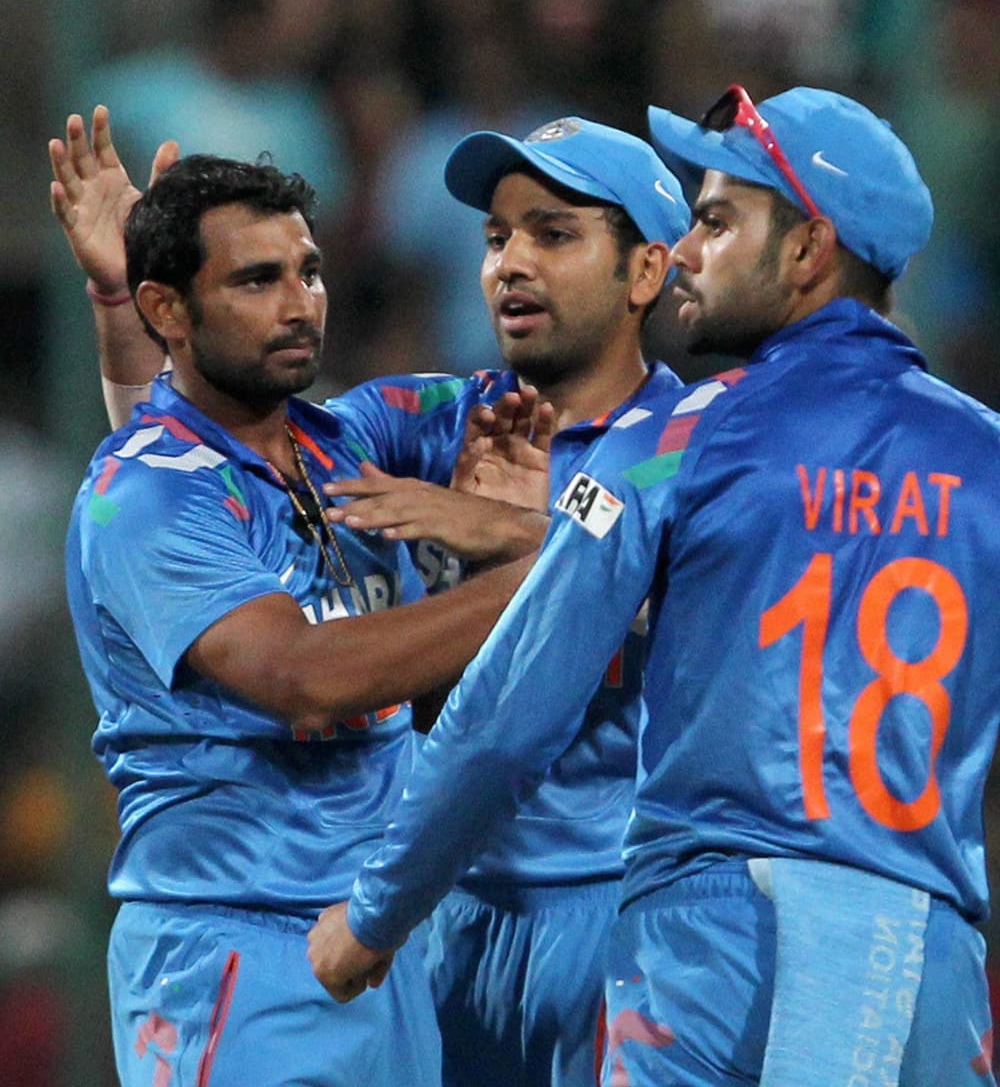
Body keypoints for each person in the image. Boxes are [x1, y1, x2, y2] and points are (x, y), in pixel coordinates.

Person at [307, 85, 1000, 1087]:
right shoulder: (985, 460)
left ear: (808, 250)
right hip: (916, 946)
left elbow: (509, 707)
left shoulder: (673, 438)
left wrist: (373, 914)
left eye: (718, 220)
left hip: (712, 947)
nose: (688, 248)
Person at [52, 107, 692, 1085]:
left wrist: (519, 538)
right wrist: (559, 570)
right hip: (247, 946)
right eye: (495, 236)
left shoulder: (349, 443)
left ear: (647, 269)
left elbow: (211, 429)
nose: (299, 304)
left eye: (306, 273)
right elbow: (297, 663)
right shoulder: (174, 483)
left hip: (459, 932)